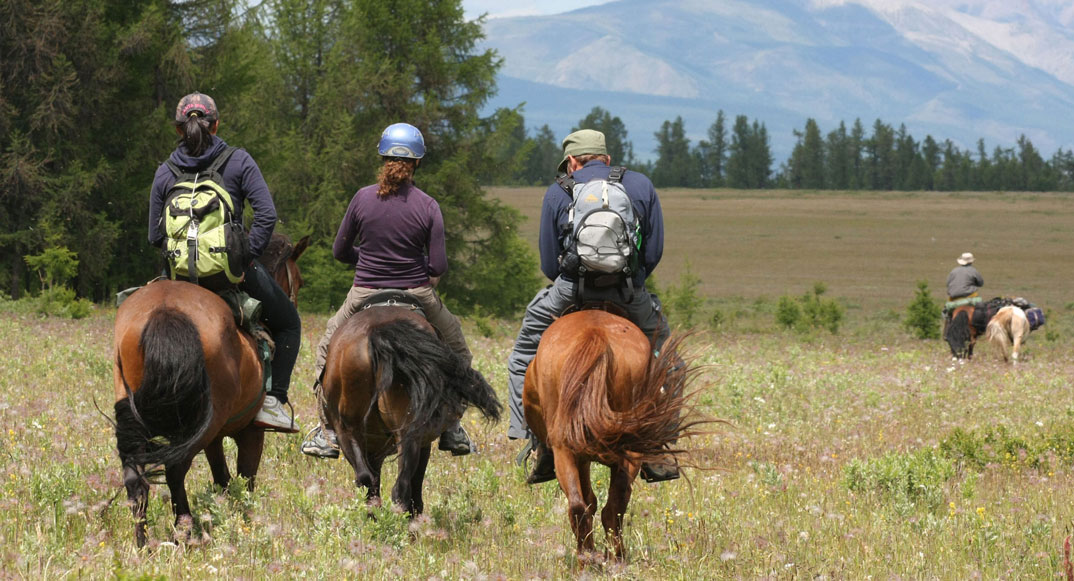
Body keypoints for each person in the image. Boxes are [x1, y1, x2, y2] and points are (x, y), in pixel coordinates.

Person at [506, 129, 678, 485]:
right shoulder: (641, 186)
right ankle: (660, 447)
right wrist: (631, 281)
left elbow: (549, 266)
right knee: (672, 362)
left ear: (572, 161)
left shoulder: (559, 190)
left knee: (523, 352)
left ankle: (536, 440)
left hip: (573, 292)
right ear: (607, 158)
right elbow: (654, 251)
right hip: (629, 292)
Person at [300, 122, 475, 459]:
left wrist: (364, 260)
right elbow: (438, 266)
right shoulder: (428, 205)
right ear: (418, 163)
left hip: (365, 291)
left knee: (327, 349)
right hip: (416, 292)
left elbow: (339, 251)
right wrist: (414, 270)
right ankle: (453, 426)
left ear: (382, 158)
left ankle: (326, 431)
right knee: (458, 350)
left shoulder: (362, 198)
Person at [148, 92, 301, 433]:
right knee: (289, 323)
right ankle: (274, 402)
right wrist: (245, 257)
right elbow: (267, 215)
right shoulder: (238, 161)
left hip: (179, 278)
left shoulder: (165, 171)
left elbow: (154, 236)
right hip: (230, 275)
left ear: (178, 130)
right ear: (216, 125)